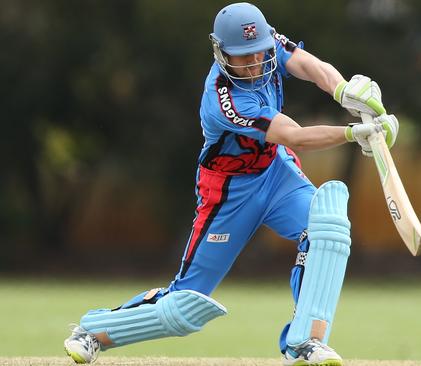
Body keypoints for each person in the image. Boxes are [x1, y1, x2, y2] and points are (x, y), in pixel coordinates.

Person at [63, 3, 398, 365]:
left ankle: (307, 342)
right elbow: (294, 136)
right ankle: (93, 331)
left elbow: (310, 66)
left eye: (259, 54)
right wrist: (352, 132)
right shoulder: (223, 98)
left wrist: (345, 91)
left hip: (275, 174)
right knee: (184, 307)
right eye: (242, 57)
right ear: (221, 53)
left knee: (327, 228)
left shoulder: (268, 44)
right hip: (228, 193)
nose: (254, 64)